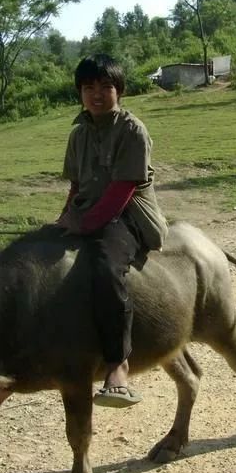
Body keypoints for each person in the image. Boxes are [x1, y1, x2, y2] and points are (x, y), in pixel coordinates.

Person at [57, 53, 168, 407]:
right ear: (80, 92)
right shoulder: (78, 135)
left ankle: (118, 364)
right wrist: (64, 220)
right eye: (88, 88)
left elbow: (120, 194)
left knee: (106, 266)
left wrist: (84, 226)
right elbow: (77, 188)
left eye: (105, 87)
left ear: (119, 90)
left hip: (129, 216)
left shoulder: (133, 131)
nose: (97, 94)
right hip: (90, 211)